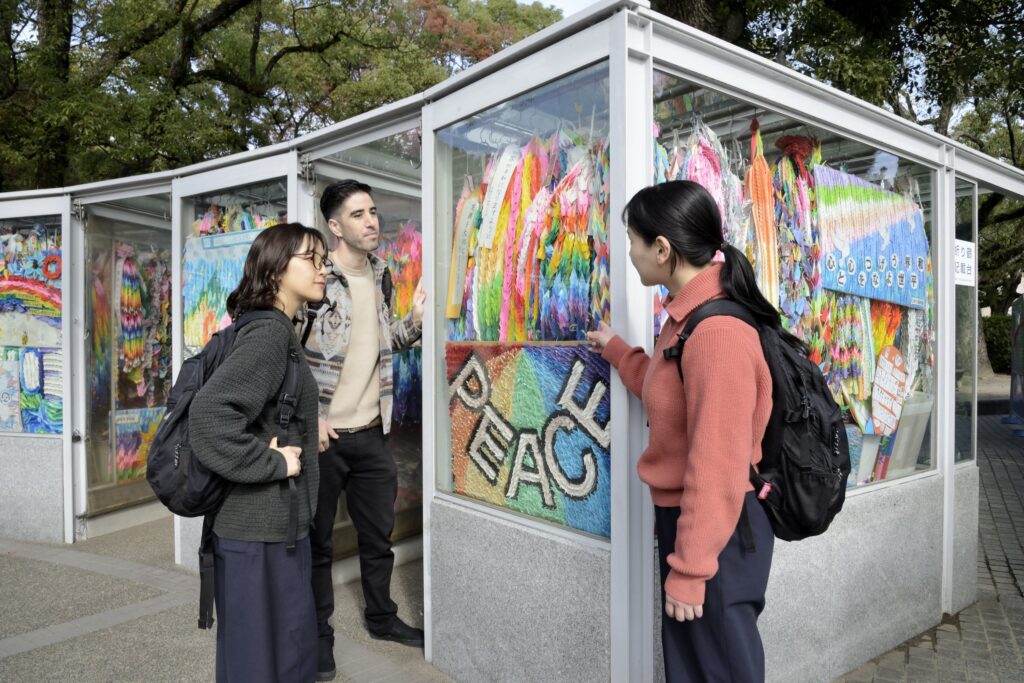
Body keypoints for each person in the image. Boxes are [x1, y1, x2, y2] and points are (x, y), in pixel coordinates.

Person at [587, 180, 785, 682]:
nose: (629, 253)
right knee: (695, 668)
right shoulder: (686, 318)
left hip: (717, 530)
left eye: (632, 240)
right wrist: (618, 351)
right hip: (698, 524)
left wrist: (692, 568)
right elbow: (668, 396)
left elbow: (717, 465)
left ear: (662, 249)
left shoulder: (716, 333)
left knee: (718, 671)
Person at [190, 222, 329, 683]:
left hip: (267, 529)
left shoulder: (275, 329)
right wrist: (274, 461)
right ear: (274, 270)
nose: (322, 269)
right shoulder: (270, 334)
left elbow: (263, 410)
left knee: (274, 656)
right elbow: (210, 417)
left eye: (324, 260)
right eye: (310, 258)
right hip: (258, 533)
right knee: (264, 661)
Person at [303, 179, 426, 682]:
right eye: (358, 214)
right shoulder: (315, 279)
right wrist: (309, 416)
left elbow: (381, 342)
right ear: (335, 226)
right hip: (323, 438)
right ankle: (318, 638)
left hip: (372, 433)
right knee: (317, 544)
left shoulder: (381, 274)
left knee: (378, 537)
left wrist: (414, 322)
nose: (372, 221)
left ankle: (381, 618)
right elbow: (284, 350)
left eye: (373, 211)